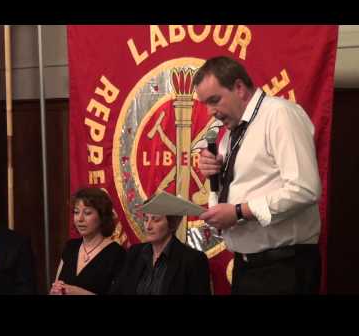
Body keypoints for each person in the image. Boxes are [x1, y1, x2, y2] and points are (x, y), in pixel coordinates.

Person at [194, 56, 322, 294]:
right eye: (205, 104)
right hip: (247, 269)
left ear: (239, 88)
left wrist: (239, 211)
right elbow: (237, 190)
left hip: (283, 269)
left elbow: (305, 189)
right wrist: (215, 175)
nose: (211, 112)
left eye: (214, 100)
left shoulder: (279, 115)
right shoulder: (232, 133)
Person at [50, 187, 126, 295]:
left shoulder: (116, 254)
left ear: (102, 216)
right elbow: (56, 287)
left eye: (87, 213)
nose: (80, 219)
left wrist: (77, 292)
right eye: (76, 212)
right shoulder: (70, 247)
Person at [111, 213, 211, 295]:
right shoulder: (134, 252)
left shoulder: (193, 259)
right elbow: (118, 290)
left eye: (156, 220)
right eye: (146, 219)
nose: (148, 226)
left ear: (172, 224)